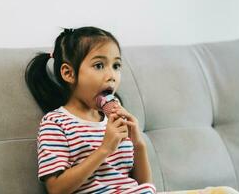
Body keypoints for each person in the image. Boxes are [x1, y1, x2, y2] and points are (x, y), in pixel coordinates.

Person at [25, 27, 156, 194]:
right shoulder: (55, 123)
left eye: (116, 66)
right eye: (99, 65)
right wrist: (105, 149)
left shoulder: (115, 123)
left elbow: (144, 185)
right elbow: (56, 189)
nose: (112, 75)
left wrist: (138, 144)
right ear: (69, 73)